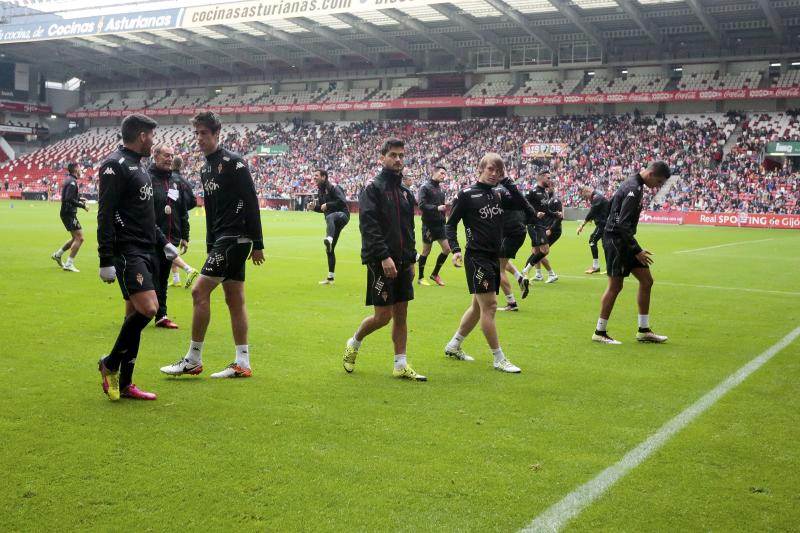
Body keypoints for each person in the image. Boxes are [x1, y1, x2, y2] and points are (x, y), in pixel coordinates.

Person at [160, 112, 265, 378]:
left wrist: (258, 243)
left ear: (217, 134)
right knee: (234, 298)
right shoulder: (206, 167)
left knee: (198, 291)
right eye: (196, 134)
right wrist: (210, 244)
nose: (199, 139)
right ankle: (243, 362)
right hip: (221, 239)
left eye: (203, 133)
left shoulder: (235, 163)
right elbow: (211, 208)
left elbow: (251, 201)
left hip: (236, 238)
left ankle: (193, 358)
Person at [96, 114, 179, 401]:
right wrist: (105, 257)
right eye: (152, 136)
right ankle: (109, 364)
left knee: (134, 316)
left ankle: (127, 383)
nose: (154, 141)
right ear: (142, 135)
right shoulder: (114, 165)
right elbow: (105, 213)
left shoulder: (138, 167)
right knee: (149, 309)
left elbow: (144, 216)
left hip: (146, 248)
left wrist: (163, 242)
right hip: (127, 251)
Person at [342, 138, 426, 382]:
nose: (398, 159)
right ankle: (354, 341)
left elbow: (409, 229)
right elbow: (368, 226)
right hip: (380, 260)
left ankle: (400, 364)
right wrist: (384, 256)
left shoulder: (405, 192)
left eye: (401, 155)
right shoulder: (373, 188)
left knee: (402, 313)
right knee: (383, 316)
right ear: (382, 158)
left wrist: (411, 260)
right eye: (392, 155)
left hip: (402, 260)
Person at [443, 153, 534, 373]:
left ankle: (454, 345)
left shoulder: (499, 195)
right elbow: (450, 224)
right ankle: (498, 358)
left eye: (499, 171)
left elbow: (527, 210)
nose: (494, 174)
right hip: (476, 257)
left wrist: (509, 183)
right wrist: (455, 249)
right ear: (480, 169)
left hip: (494, 256)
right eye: (491, 169)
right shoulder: (466, 195)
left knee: (477, 306)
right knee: (490, 306)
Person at [593, 161, 671, 345]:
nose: (657, 186)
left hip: (624, 240)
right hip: (617, 241)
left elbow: (612, 208)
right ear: (651, 174)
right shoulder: (633, 188)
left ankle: (643, 330)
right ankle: (599, 331)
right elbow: (622, 224)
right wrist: (637, 250)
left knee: (646, 281)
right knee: (615, 286)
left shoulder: (634, 184)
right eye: (658, 182)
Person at [149, 144, 197, 329]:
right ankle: (140, 311)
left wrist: (184, 235)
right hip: (150, 238)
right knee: (150, 278)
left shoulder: (175, 182)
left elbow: (182, 210)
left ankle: (161, 315)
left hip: (170, 239)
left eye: (171, 156)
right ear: (155, 156)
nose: (169, 158)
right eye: (165, 155)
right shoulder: (147, 179)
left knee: (161, 278)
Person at [307, 169, 349, 285]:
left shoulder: (334, 187)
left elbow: (342, 202)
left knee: (329, 217)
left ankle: (329, 238)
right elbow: (323, 208)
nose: (314, 177)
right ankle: (330, 278)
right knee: (329, 250)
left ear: (324, 177)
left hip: (343, 216)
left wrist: (328, 204)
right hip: (332, 221)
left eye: (316, 175)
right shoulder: (320, 192)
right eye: (313, 175)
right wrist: (314, 208)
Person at [497, 181, 531, 312]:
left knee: (497, 268)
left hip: (510, 233)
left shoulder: (497, 191)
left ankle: (511, 303)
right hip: (519, 231)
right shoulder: (512, 190)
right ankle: (519, 277)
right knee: (502, 260)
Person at [416, 165, 451, 286]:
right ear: (434, 173)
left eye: (444, 174)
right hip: (429, 225)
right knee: (426, 251)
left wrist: (444, 217)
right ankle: (420, 278)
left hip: (440, 225)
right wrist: (436, 208)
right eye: (441, 173)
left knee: (447, 249)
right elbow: (421, 205)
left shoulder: (441, 189)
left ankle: (435, 274)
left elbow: (442, 206)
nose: (443, 176)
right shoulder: (425, 187)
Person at [522, 169, 559, 283]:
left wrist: (554, 214)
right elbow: (524, 205)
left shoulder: (545, 193)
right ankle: (526, 270)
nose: (550, 180)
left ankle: (539, 274)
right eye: (548, 178)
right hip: (534, 225)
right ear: (541, 178)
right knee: (545, 250)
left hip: (540, 225)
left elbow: (546, 210)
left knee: (536, 251)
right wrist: (535, 213)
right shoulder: (532, 192)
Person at [52, 163, 88, 272]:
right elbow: (68, 198)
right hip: (68, 213)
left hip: (67, 213)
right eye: (80, 168)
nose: (81, 170)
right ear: (76, 169)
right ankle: (69, 264)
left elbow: (71, 196)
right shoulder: (72, 182)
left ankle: (57, 255)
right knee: (80, 238)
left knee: (74, 238)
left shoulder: (70, 179)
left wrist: (81, 199)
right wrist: (83, 206)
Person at [169, 154, 199, 287]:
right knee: (170, 248)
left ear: (171, 164)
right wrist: (183, 207)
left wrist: (177, 207)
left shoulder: (168, 179)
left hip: (169, 220)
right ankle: (176, 279)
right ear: (181, 165)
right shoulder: (185, 182)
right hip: (180, 220)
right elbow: (193, 201)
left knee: (165, 249)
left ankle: (189, 269)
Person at [576, 185, 610, 274]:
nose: (584, 198)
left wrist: (582, 225)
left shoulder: (596, 197)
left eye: (584, 195)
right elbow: (598, 210)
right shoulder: (597, 196)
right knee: (605, 245)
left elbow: (592, 212)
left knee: (592, 240)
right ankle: (610, 267)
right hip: (605, 224)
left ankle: (596, 267)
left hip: (603, 224)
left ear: (586, 191)